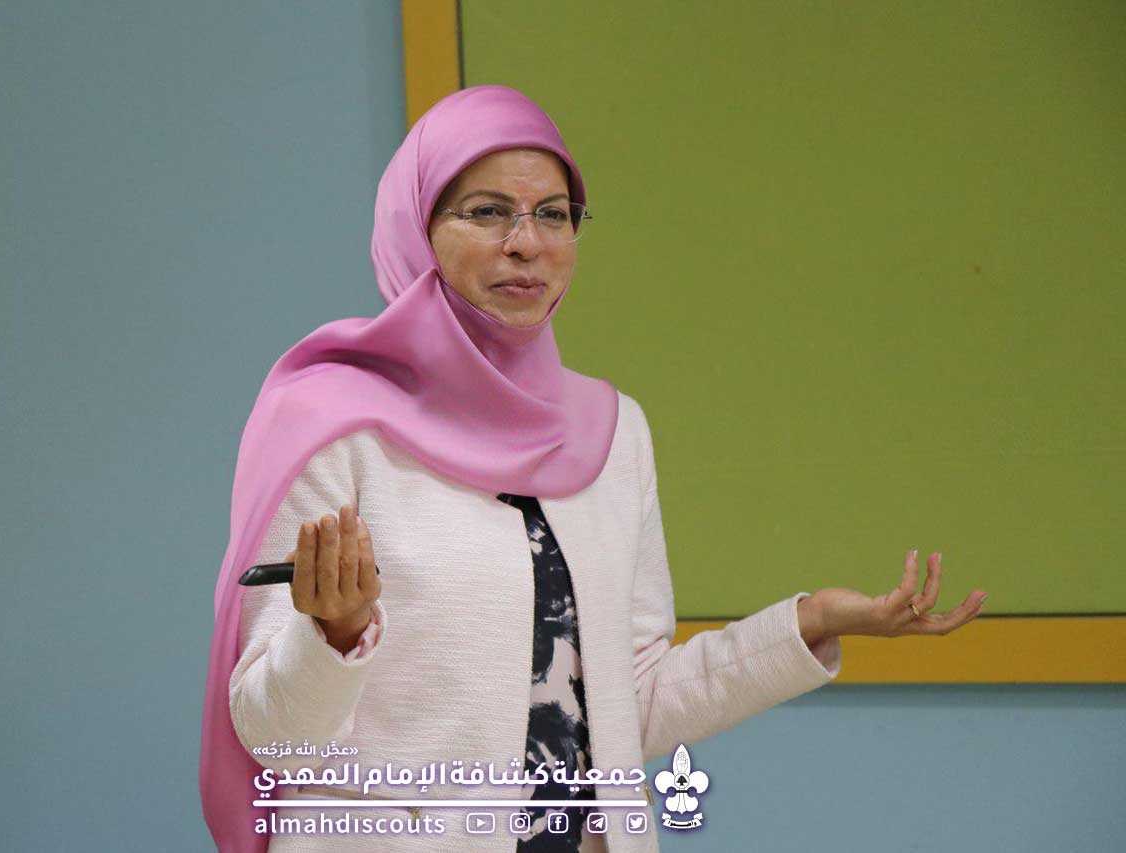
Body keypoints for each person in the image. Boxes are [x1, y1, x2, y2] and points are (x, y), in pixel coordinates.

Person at [199, 84, 987, 853]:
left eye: (553, 213)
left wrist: (811, 622)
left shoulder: (613, 432)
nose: (526, 242)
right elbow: (275, 738)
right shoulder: (335, 425)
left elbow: (626, 703)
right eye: (487, 211)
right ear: (416, 227)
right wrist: (333, 635)